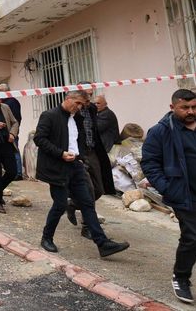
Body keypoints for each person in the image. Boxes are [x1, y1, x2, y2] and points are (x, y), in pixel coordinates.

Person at [34, 90, 130, 258]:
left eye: (82, 105)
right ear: (67, 98)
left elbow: (80, 139)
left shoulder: (77, 118)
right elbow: (39, 139)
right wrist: (60, 153)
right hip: (57, 167)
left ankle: (103, 244)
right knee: (60, 204)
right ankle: (46, 238)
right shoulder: (49, 115)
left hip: (76, 166)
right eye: (77, 103)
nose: (78, 107)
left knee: (87, 202)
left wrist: (81, 158)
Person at [141, 89, 196, 303]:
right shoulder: (160, 131)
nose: (190, 111)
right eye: (185, 108)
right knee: (193, 237)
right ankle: (181, 277)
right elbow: (149, 163)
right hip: (184, 194)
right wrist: (167, 188)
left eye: (194, 106)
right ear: (173, 107)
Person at [66, 83, 117, 237]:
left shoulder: (93, 109)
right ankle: (87, 227)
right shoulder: (72, 111)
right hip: (78, 154)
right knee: (87, 189)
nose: (89, 98)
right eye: (86, 94)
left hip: (93, 151)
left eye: (90, 94)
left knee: (99, 190)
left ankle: (73, 204)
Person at [0, 83, 24, 180]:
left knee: (14, 151)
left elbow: (16, 119)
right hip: (5, 131)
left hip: (11, 132)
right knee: (8, 152)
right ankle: (12, 172)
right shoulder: (4, 102)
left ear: (6, 91)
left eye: (1, 90)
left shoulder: (12, 102)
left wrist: (13, 132)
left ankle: (18, 173)